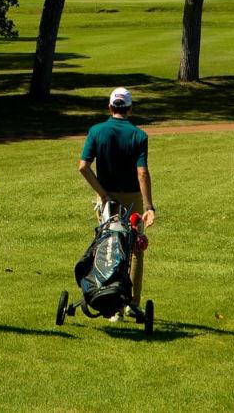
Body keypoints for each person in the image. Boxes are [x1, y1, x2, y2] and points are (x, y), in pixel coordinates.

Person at [78, 87, 156, 310]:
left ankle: (109, 301)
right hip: (132, 198)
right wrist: (149, 205)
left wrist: (102, 194)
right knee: (134, 248)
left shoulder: (96, 131)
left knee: (108, 245)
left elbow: (83, 167)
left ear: (110, 107)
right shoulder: (139, 135)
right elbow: (142, 172)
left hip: (107, 200)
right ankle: (132, 302)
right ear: (130, 108)